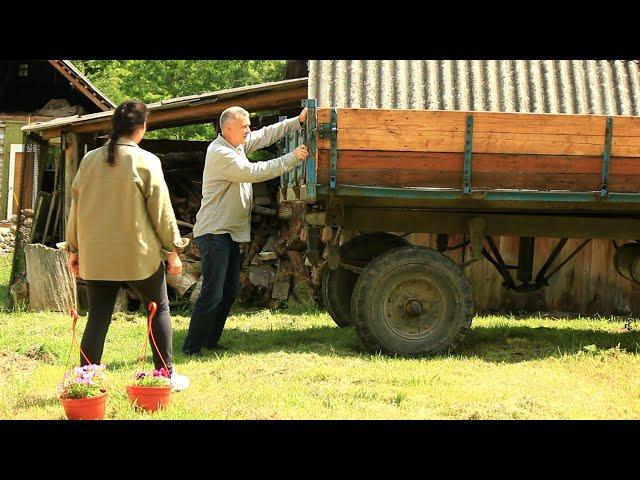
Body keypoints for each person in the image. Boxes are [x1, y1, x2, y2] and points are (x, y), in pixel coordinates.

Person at [60, 100, 191, 391]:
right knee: (158, 309)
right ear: (142, 128)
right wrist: (172, 250)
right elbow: (161, 211)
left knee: (98, 317)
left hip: (97, 255)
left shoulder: (89, 160)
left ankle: (86, 380)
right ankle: (165, 375)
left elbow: (76, 209)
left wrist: (74, 249)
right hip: (138, 255)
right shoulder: (146, 161)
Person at [182, 106, 309, 356]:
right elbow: (254, 172)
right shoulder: (220, 153)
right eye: (244, 126)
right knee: (212, 293)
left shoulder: (235, 145)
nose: (249, 130)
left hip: (228, 234)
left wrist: (297, 121)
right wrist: (293, 157)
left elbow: (265, 135)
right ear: (228, 128)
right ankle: (192, 347)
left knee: (228, 293)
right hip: (215, 233)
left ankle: (210, 341)